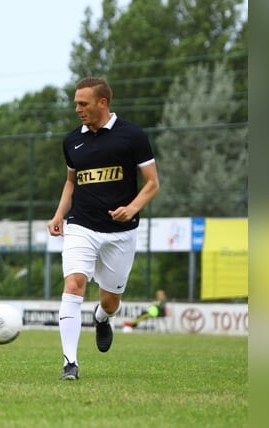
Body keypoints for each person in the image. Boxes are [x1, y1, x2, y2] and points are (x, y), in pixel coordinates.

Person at [47, 77, 160, 381]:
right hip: (81, 224)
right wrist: (59, 215)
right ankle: (70, 362)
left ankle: (101, 318)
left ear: (103, 102)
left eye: (83, 104)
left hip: (121, 232)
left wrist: (132, 208)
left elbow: (152, 183)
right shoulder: (72, 140)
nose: (77, 109)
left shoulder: (132, 135)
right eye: (75, 104)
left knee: (110, 301)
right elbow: (71, 182)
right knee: (73, 284)